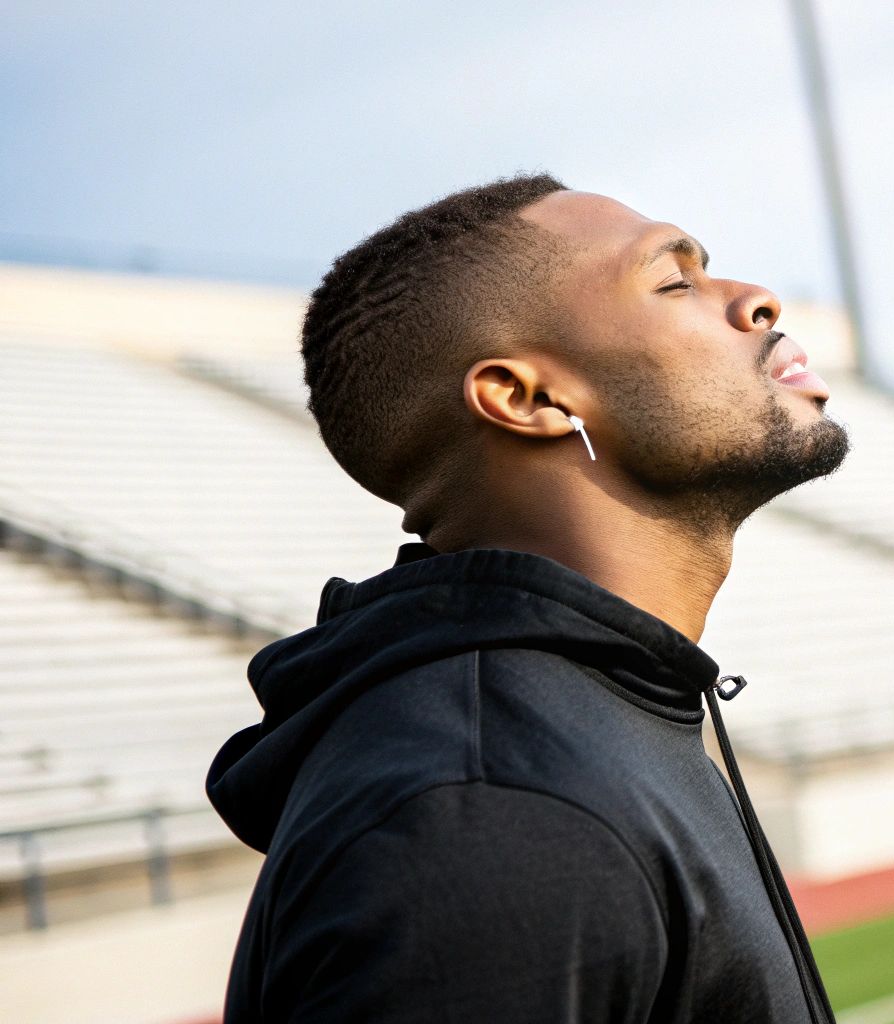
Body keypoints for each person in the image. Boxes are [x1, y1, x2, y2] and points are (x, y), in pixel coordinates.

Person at [206, 172, 851, 1023]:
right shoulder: (493, 813)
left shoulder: (590, 721)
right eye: (674, 281)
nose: (757, 299)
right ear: (527, 398)